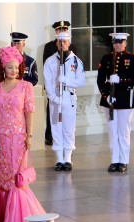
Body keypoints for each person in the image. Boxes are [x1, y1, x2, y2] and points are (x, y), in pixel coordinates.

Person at [0, 46, 45, 222]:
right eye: (10, 67)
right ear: (2, 67)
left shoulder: (25, 86)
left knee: (15, 179)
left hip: (18, 139)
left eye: (17, 67)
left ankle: (18, 220)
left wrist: (29, 136)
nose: (14, 71)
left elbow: (29, 112)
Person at [97, 33, 134, 173]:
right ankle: (114, 160)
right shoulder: (106, 58)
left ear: (125, 43)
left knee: (123, 132)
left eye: (120, 42)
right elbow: (100, 80)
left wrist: (121, 80)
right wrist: (106, 96)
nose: (118, 44)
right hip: (110, 101)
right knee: (112, 132)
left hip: (125, 101)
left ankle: (123, 161)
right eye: (115, 42)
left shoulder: (133, 58)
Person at [44, 32, 86, 172]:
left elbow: (81, 81)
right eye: (59, 41)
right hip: (56, 98)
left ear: (69, 43)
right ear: (56, 43)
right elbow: (48, 82)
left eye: (65, 41)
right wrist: (53, 97)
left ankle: (67, 158)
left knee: (68, 129)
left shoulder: (76, 61)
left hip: (69, 98)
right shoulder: (50, 61)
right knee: (56, 127)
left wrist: (67, 81)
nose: (62, 44)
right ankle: (59, 159)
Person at [43, 21, 77, 146]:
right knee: (52, 111)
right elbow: (46, 66)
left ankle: (66, 136)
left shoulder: (72, 47)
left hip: (68, 86)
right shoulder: (49, 46)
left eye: (64, 29)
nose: (62, 31)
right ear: (56, 32)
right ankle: (50, 135)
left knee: (68, 113)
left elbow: (75, 68)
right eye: (59, 29)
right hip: (54, 85)